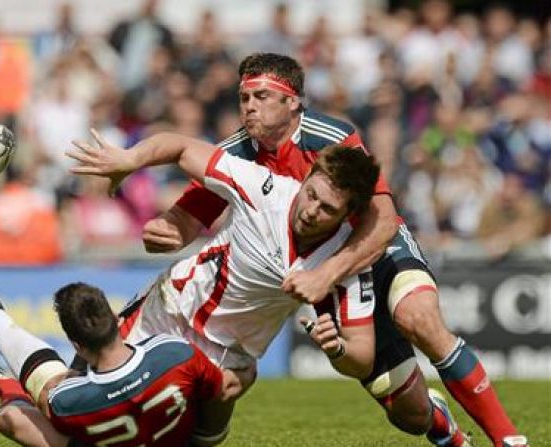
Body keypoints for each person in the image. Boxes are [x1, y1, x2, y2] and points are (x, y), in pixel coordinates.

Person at [141, 52, 527, 447]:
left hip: (372, 245)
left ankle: (509, 440)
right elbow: (186, 221)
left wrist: (326, 275)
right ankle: (442, 427)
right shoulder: (236, 152)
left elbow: (383, 215)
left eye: (259, 96)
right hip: (320, 274)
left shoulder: (330, 136)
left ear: (291, 101)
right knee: (408, 413)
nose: (249, 107)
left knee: (418, 318)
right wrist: (166, 231)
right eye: (244, 98)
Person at [0, 132, 381, 445]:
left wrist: (335, 347)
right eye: (311, 193)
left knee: (194, 425)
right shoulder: (267, 189)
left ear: (347, 215)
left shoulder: (345, 259)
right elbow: (181, 147)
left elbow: (362, 356)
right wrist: (129, 160)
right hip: (166, 317)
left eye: (326, 208)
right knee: (69, 419)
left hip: (225, 362)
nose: (310, 209)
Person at [0, 285, 244, 447]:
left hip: (94, 422)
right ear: (118, 321)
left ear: (76, 346)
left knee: (11, 418)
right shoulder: (173, 353)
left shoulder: (67, 399)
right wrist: (210, 437)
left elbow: (46, 401)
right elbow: (226, 389)